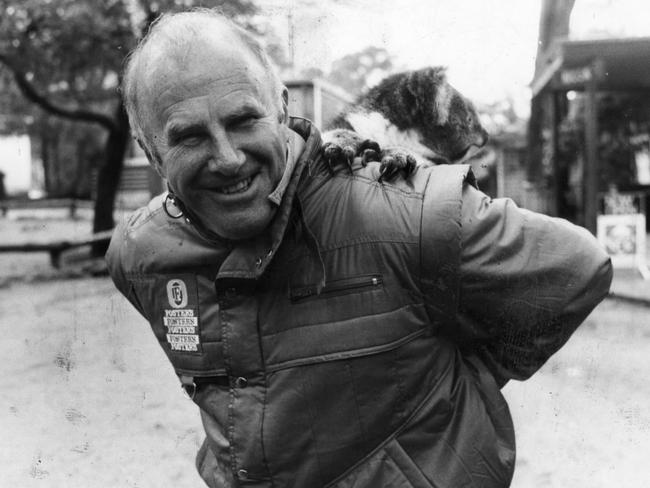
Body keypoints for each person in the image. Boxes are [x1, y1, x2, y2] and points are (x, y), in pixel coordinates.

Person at [106, 9, 613, 488]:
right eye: (189, 136)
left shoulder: (405, 209)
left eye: (243, 120)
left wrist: (465, 383)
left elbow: (576, 267)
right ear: (149, 148)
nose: (227, 157)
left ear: (282, 107)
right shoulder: (139, 254)